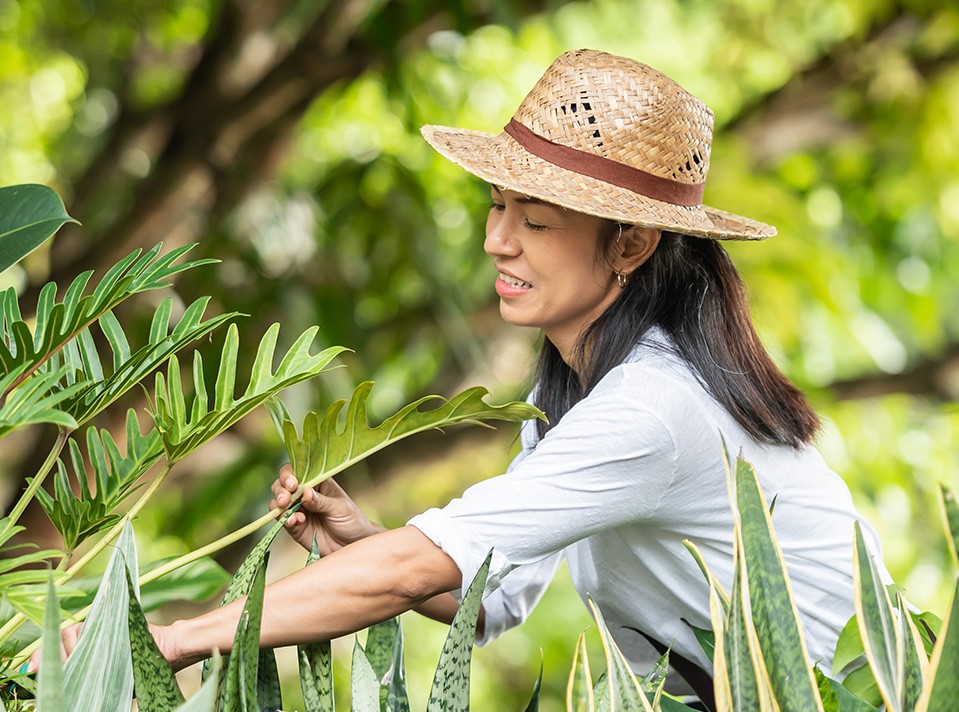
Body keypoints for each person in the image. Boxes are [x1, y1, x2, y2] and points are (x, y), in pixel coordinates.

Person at [50, 49, 889, 704]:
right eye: (496, 205)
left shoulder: (653, 408)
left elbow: (419, 571)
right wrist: (366, 542)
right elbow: (490, 600)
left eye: (535, 221)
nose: (496, 241)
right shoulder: (574, 390)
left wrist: (168, 640)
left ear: (631, 244)